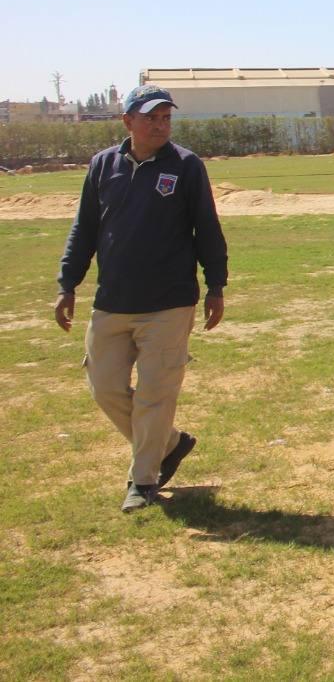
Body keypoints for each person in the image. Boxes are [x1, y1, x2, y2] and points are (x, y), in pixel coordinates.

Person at [55, 84, 228, 513]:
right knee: (105, 388)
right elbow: (84, 229)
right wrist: (67, 284)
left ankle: (143, 480)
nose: (160, 125)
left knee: (155, 395)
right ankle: (169, 443)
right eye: (151, 117)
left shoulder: (186, 166)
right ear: (127, 121)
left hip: (169, 302)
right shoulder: (103, 165)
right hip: (112, 301)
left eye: (166, 117)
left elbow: (207, 227)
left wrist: (216, 285)